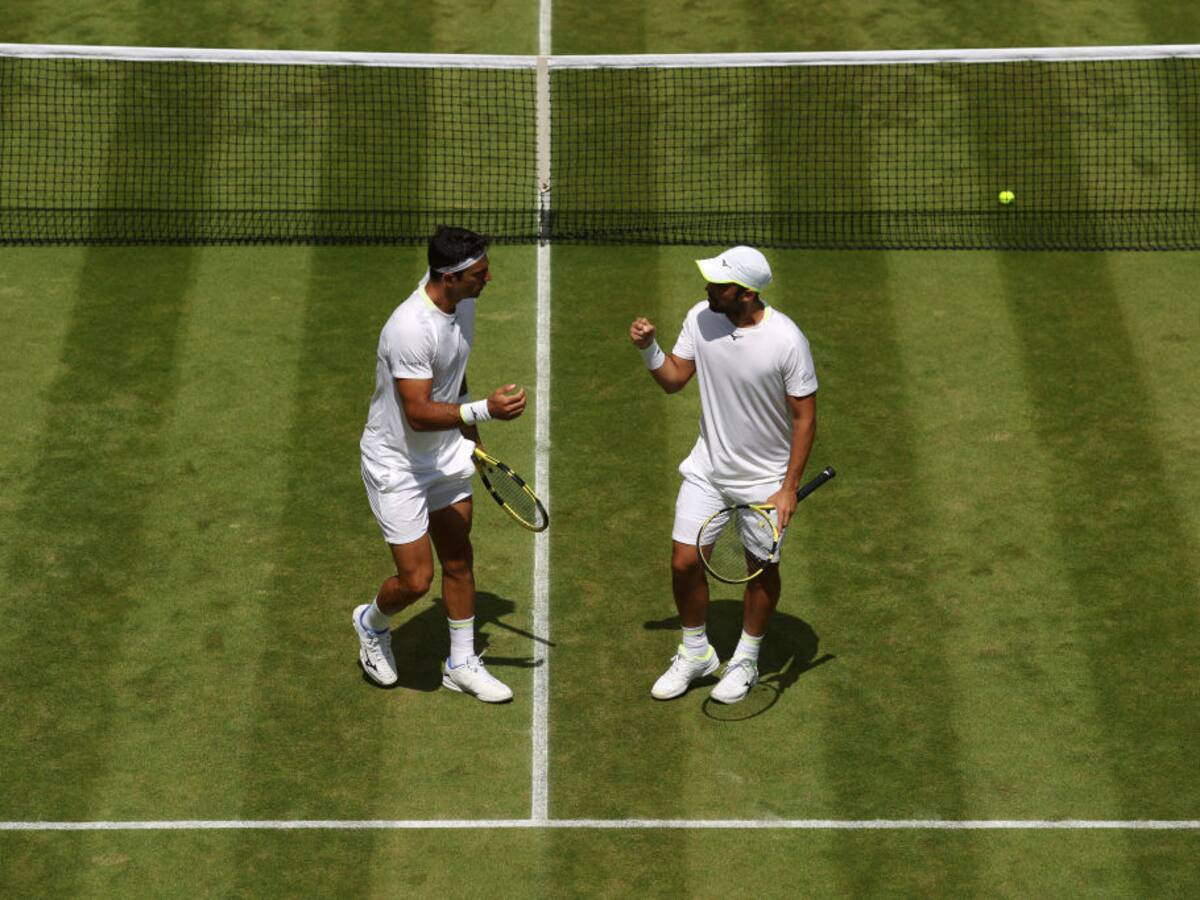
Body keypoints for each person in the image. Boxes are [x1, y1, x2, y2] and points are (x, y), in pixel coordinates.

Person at [629, 246, 818, 704]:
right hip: (708, 469)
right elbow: (675, 379)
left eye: (720, 284)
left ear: (748, 294)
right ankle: (695, 653)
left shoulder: (787, 341)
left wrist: (788, 488)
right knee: (684, 561)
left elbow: (804, 418)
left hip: (764, 482)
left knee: (760, 571)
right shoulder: (701, 316)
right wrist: (649, 348)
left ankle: (746, 659)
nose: (709, 289)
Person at [354, 225, 526, 703]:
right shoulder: (409, 327)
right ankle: (370, 624)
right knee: (416, 580)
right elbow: (417, 411)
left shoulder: (462, 303)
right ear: (449, 278)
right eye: (479, 273)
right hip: (398, 464)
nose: (488, 279)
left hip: (445, 453)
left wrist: (470, 433)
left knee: (457, 558)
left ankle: (461, 662)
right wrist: (482, 410)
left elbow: (454, 367)